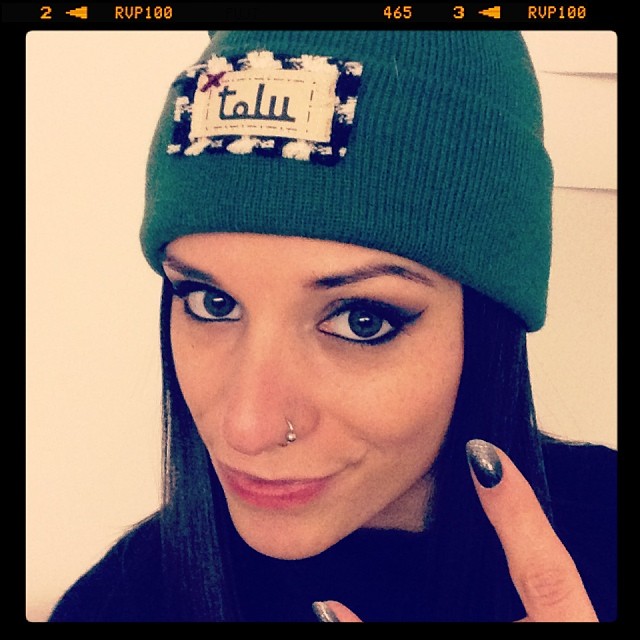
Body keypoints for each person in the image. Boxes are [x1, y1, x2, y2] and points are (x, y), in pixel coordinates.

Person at [48, 30, 616, 623]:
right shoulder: (115, 605)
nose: (249, 428)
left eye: (361, 321)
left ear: (488, 324)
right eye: (212, 303)